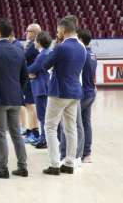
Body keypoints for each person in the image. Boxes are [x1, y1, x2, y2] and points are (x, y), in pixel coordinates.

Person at [0, 18, 29, 179]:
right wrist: (18, 92)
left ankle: (3, 169)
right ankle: (22, 167)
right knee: (16, 134)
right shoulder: (19, 50)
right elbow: (25, 77)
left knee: (0, 134)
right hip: (15, 98)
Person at [42, 17, 87, 176]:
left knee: (50, 127)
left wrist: (55, 46)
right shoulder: (82, 47)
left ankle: (54, 164)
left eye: (58, 30)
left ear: (63, 30)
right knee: (71, 128)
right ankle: (69, 163)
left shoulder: (61, 47)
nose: (57, 32)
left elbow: (45, 64)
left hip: (59, 91)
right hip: (75, 91)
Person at [27, 31, 53, 149]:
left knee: (42, 116)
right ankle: (46, 138)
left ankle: (44, 140)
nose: (34, 42)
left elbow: (32, 69)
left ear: (39, 42)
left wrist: (28, 72)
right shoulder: (49, 52)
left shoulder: (42, 55)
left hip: (41, 87)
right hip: (46, 86)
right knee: (46, 115)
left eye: (35, 40)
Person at [77, 29, 97, 163]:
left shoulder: (82, 54)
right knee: (86, 122)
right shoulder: (93, 54)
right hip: (91, 91)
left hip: (83, 92)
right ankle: (87, 153)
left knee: (75, 123)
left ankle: (77, 153)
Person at [22, 24, 42, 144]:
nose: (26, 33)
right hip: (29, 78)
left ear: (35, 33)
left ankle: (34, 132)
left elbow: (23, 58)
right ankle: (30, 130)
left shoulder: (34, 46)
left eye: (28, 31)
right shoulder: (31, 44)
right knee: (28, 105)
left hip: (32, 80)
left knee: (30, 106)